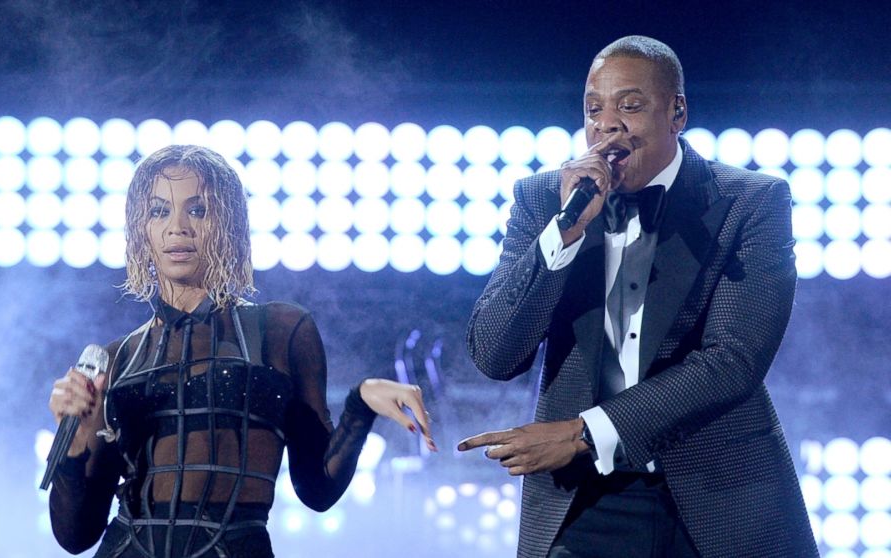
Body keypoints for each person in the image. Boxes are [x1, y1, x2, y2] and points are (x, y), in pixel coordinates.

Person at [458, 36, 818, 558]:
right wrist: (563, 234)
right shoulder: (545, 199)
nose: (608, 124)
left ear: (677, 112)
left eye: (630, 105)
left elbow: (734, 360)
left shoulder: (751, 202)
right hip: (582, 500)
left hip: (719, 492)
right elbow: (494, 353)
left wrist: (586, 431)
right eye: (593, 109)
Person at [47, 144, 437, 558]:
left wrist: (361, 405)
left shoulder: (282, 330)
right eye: (159, 211)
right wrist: (76, 438)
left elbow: (317, 490)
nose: (177, 227)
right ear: (139, 230)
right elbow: (76, 536)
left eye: (197, 210)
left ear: (229, 224)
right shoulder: (118, 358)